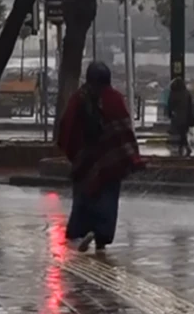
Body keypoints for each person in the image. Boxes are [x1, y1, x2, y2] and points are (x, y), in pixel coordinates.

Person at [58, 61, 145, 252]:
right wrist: (132, 158)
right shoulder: (114, 99)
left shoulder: (78, 98)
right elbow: (124, 130)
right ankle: (101, 237)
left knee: (83, 197)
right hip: (110, 162)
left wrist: (73, 153)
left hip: (84, 160)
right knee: (107, 199)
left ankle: (81, 230)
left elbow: (66, 127)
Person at [166, 76, 194, 157]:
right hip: (187, 116)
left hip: (177, 117)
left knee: (182, 133)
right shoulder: (187, 93)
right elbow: (191, 105)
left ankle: (184, 147)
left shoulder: (173, 93)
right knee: (183, 133)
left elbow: (170, 105)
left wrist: (169, 114)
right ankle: (184, 147)